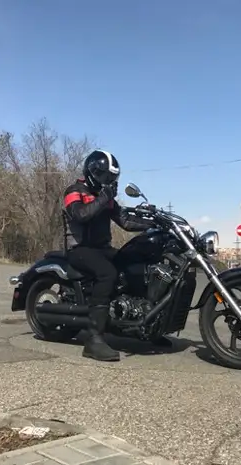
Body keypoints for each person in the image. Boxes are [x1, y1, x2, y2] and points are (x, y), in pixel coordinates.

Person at [62, 150, 159, 362]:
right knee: (107, 273)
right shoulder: (74, 191)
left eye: (111, 178)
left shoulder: (105, 198)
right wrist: (104, 198)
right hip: (80, 249)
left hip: (102, 249)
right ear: (91, 172)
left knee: (133, 264)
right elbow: (80, 214)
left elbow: (125, 221)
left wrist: (154, 222)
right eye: (104, 176)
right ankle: (94, 339)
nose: (107, 181)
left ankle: (144, 326)